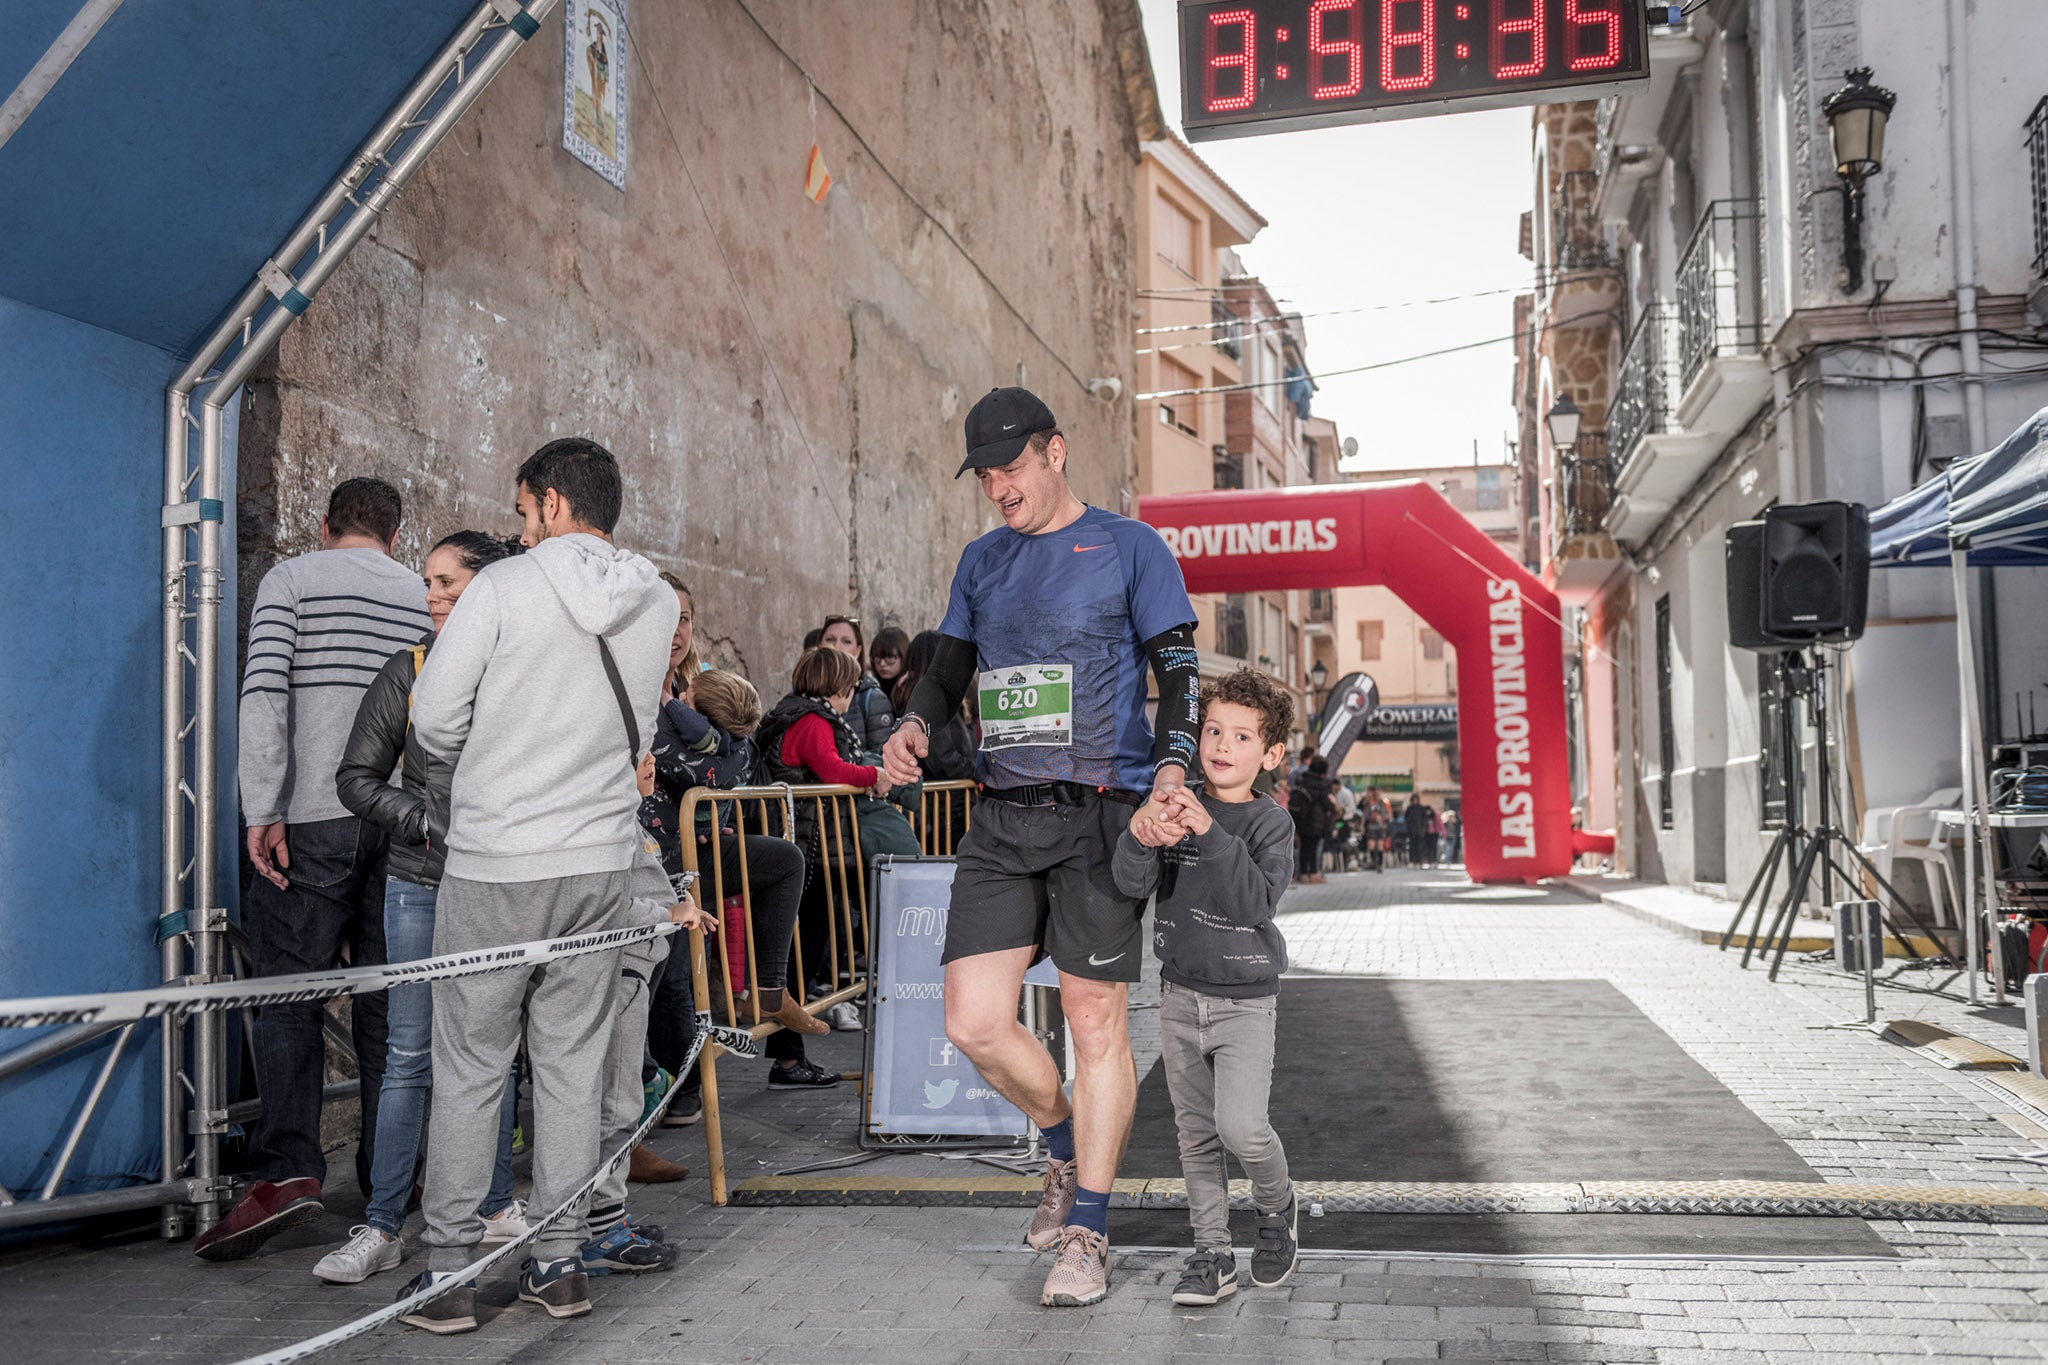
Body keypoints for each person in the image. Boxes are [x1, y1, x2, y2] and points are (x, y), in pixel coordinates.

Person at [883, 387, 1201, 1309]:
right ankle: (1061, 1147)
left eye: (1011, 468)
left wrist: (1175, 766)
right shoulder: (982, 562)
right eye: (984, 475)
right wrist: (912, 727)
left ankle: (1089, 1231)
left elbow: (1175, 668)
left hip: (1103, 811)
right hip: (1004, 812)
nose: (997, 488)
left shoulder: (1130, 547)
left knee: (1096, 1021)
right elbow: (949, 670)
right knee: (972, 1020)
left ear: (1055, 452)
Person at [398, 438, 678, 1334]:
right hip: (599, 862)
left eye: (522, 512)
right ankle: (558, 1264)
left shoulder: (502, 589)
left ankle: (446, 1274)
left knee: (473, 1063)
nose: (519, 530)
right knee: (569, 1067)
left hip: (495, 860)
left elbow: (434, 720)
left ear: (552, 503)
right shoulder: (658, 596)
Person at [199, 478, 429, 1263]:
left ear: (324, 523)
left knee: (289, 995)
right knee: (384, 1005)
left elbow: (264, 696)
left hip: (313, 815)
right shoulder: (420, 592)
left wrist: (261, 809)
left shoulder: (290, 579)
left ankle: (290, 1169)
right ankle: (388, 1177)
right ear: (397, 537)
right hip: (400, 819)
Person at [316, 531, 527, 1284]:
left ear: (490, 588)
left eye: (448, 583)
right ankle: (380, 1226)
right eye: (429, 583)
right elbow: (356, 777)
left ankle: (497, 1205)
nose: (433, 596)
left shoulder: (519, 668)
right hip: (421, 879)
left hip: (499, 881)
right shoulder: (407, 668)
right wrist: (426, 822)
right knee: (407, 1054)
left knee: (489, 1050)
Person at [1112, 667, 1299, 1305]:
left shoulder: (1270, 825)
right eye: (1213, 730)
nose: (1221, 745)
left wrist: (1208, 832)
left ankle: (1277, 1208)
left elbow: (1253, 902)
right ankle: (1211, 1253)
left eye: (1242, 737)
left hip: (1246, 1001)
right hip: (1178, 994)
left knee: (1241, 1127)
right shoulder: (1174, 801)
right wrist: (1141, 836)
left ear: (1270, 755)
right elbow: (1133, 884)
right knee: (1194, 1132)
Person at [757, 645, 911, 1041]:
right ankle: (787, 1052)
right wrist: (872, 774)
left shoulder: (803, 715)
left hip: (810, 843)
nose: (850, 698)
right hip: (809, 846)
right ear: (836, 689)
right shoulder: (813, 721)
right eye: (850, 689)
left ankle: (789, 1053)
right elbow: (831, 769)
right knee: (806, 946)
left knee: (811, 940)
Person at [819, 614, 895, 754]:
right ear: (819, 646)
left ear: (858, 650)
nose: (837, 646)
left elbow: (881, 756)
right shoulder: (803, 693)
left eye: (846, 641)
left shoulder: (873, 699)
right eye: (830, 639)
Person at [1287, 756, 1335, 885]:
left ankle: (1303, 874)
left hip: (1301, 817)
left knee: (1304, 847)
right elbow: (1326, 802)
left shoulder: (1303, 779)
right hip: (1316, 820)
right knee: (1313, 847)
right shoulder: (1323, 783)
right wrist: (1334, 807)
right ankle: (1313, 873)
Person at [869, 625, 910, 700]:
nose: (882, 664)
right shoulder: (868, 688)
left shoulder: (911, 691)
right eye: (877, 657)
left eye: (890, 657)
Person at [1364, 787, 1391, 874]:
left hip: (1381, 827)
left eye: (1377, 792)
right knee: (1371, 845)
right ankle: (1374, 862)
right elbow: (1364, 815)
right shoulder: (1368, 803)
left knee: (1380, 845)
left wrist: (1382, 818)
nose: (1376, 794)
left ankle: (1380, 864)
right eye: (1374, 792)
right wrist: (1362, 825)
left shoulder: (1384, 802)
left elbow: (1389, 815)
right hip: (1371, 826)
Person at [1404, 796, 1431, 870]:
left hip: (1420, 831)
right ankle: (1413, 861)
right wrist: (1408, 828)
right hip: (1411, 831)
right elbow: (1406, 819)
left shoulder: (1421, 808)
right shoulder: (1409, 808)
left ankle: (1420, 861)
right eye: (1414, 800)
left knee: (1420, 847)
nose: (1415, 801)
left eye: (1416, 799)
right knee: (1412, 846)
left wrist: (1423, 829)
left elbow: (1425, 819)